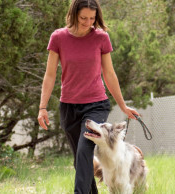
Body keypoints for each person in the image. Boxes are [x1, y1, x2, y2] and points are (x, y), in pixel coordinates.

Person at [37, 0, 140, 193]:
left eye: (92, 18)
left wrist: (123, 105)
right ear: (74, 14)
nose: (88, 22)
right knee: (80, 159)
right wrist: (42, 107)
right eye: (84, 18)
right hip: (68, 107)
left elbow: (109, 74)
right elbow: (50, 74)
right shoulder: (58, 37)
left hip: (96, 105)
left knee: (85, 150)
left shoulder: (101, 38)